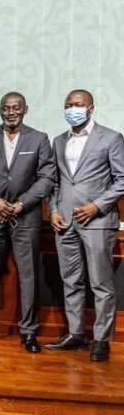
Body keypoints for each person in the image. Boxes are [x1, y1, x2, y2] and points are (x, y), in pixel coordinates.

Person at [0, 92, 55, 353]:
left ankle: (28, 332)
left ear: (25, 109)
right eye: (6, 108)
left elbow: (46, 178)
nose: (11, 112)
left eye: (16, 108)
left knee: (28, 275)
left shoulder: (39, 139)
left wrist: (21, 204)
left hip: (25, 216)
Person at [46, 90, 124, 362]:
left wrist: (97, 206)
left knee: (101, 283)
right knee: (71, 280)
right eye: (68, 105)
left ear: (91, 108)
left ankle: (101, 339)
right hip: (65, 223)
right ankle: (76, 333)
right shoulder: (59, 141)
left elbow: (122, 180)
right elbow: (55, 183)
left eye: (78, 104)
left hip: (97, 222)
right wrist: (53, 210)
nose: (72, 109)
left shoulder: (111, 138)